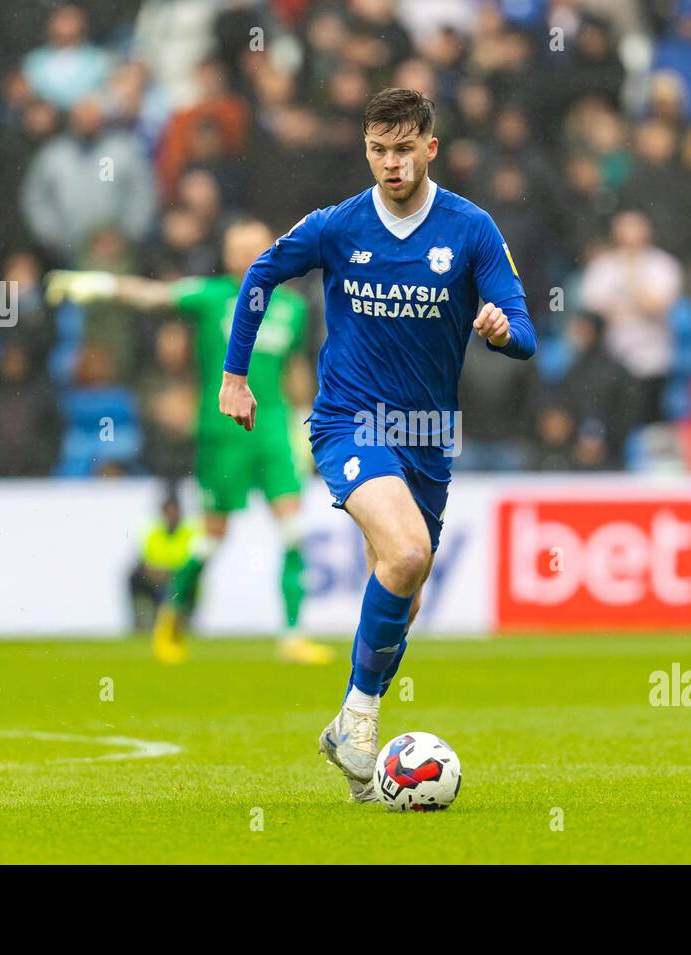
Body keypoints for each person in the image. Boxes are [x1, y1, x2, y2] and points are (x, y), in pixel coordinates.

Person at [217, 88, 536, 801]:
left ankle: (347, 731)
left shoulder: (471, 229)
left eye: (403, 149)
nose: (390, 164)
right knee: (409, 553)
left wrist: (501, 331)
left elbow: (525, 326)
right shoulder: (337, 225)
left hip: (427, 439)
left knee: (404, 591)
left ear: (430, 148)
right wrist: (235, 374)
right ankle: (360, 719)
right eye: (377, 150)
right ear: (366, 150)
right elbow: (262, 273)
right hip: (348, 422)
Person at [45, 219, 331, 667]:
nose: (248, 255)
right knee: (211, 541)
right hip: (222, 434)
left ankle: (294, 635)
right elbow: (154, 295)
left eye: (256, 247)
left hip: (273, 433)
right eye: (239, 248)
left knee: (294, 531)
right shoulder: (212, 296)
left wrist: (304, 428)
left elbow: (296, 372)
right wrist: (100, 286)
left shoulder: (291, 308)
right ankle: (173, 614)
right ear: (228, 256)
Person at [128, 493, 201, 632]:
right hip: (158, 578)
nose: (171, 516)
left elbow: (193, 564)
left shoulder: (190, 532)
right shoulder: (153, 533)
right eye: (167, 511)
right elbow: (145, 561)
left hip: (180, 580)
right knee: (135, 576)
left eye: (174, 511)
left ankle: (177, 622)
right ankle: (141, 622)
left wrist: (168, 572)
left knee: (175, 585)